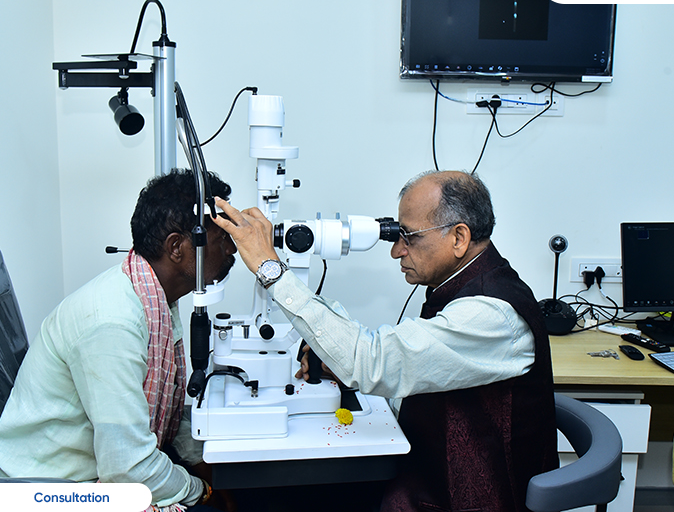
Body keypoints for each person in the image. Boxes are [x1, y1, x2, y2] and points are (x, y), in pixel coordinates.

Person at [210, 169, 559, 512]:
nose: (396, 251)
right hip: (425, 476)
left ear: (458, 237)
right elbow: (406, 369)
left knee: (273, 498)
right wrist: (338, 359)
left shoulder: (491, 315)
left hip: (464, 500)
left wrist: (270, 269)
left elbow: (373, 361)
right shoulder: (459, 290)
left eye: (409, 236)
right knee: (265, 495)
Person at [0, 169, 236, 511]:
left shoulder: (152, 298)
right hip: (52, 490)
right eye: (221, 238)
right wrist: (202, 490)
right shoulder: (113, 322)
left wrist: (204, 463)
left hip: (103, 465)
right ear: (177, 247)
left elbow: (162, 418)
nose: (232, 248)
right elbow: (130, 472)